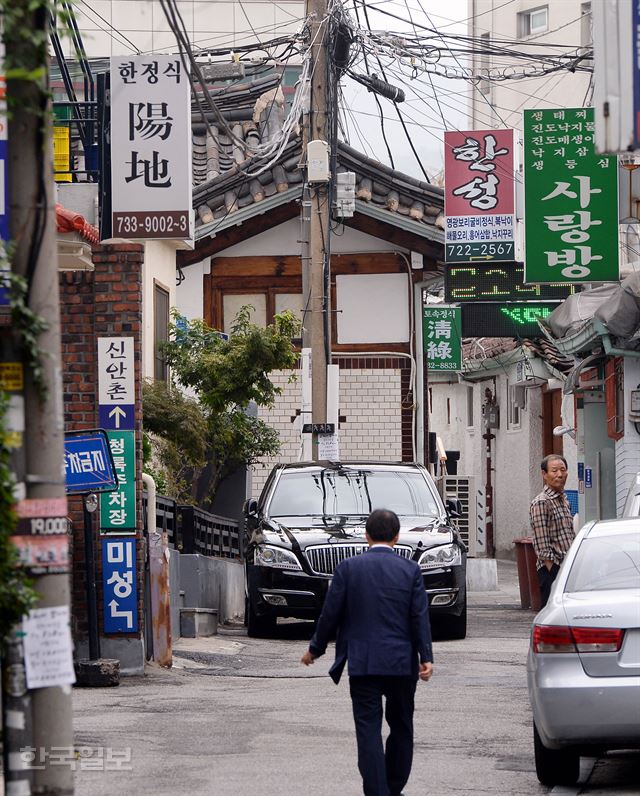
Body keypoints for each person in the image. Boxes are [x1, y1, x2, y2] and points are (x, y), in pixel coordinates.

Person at [300, 508, 433, 796]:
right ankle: (393, 787)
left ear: (366, 535)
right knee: (401, 728)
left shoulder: (348, 568)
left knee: (368, 732)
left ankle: (377, 791)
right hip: (401, 664)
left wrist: (315, 649)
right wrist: (426, 658)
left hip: (363, 663)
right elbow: (419, 616)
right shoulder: (411, 571)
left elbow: (330, 614)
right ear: (397, 537)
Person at [530, 454, 576, 607]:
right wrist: (553, 571)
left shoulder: (564, 499)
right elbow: (542, 544)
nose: (560, 474)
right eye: (554, 470)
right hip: (553, 570)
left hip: (567, 567)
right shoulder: (541, 502)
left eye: (563, 470)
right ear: (544, 474)